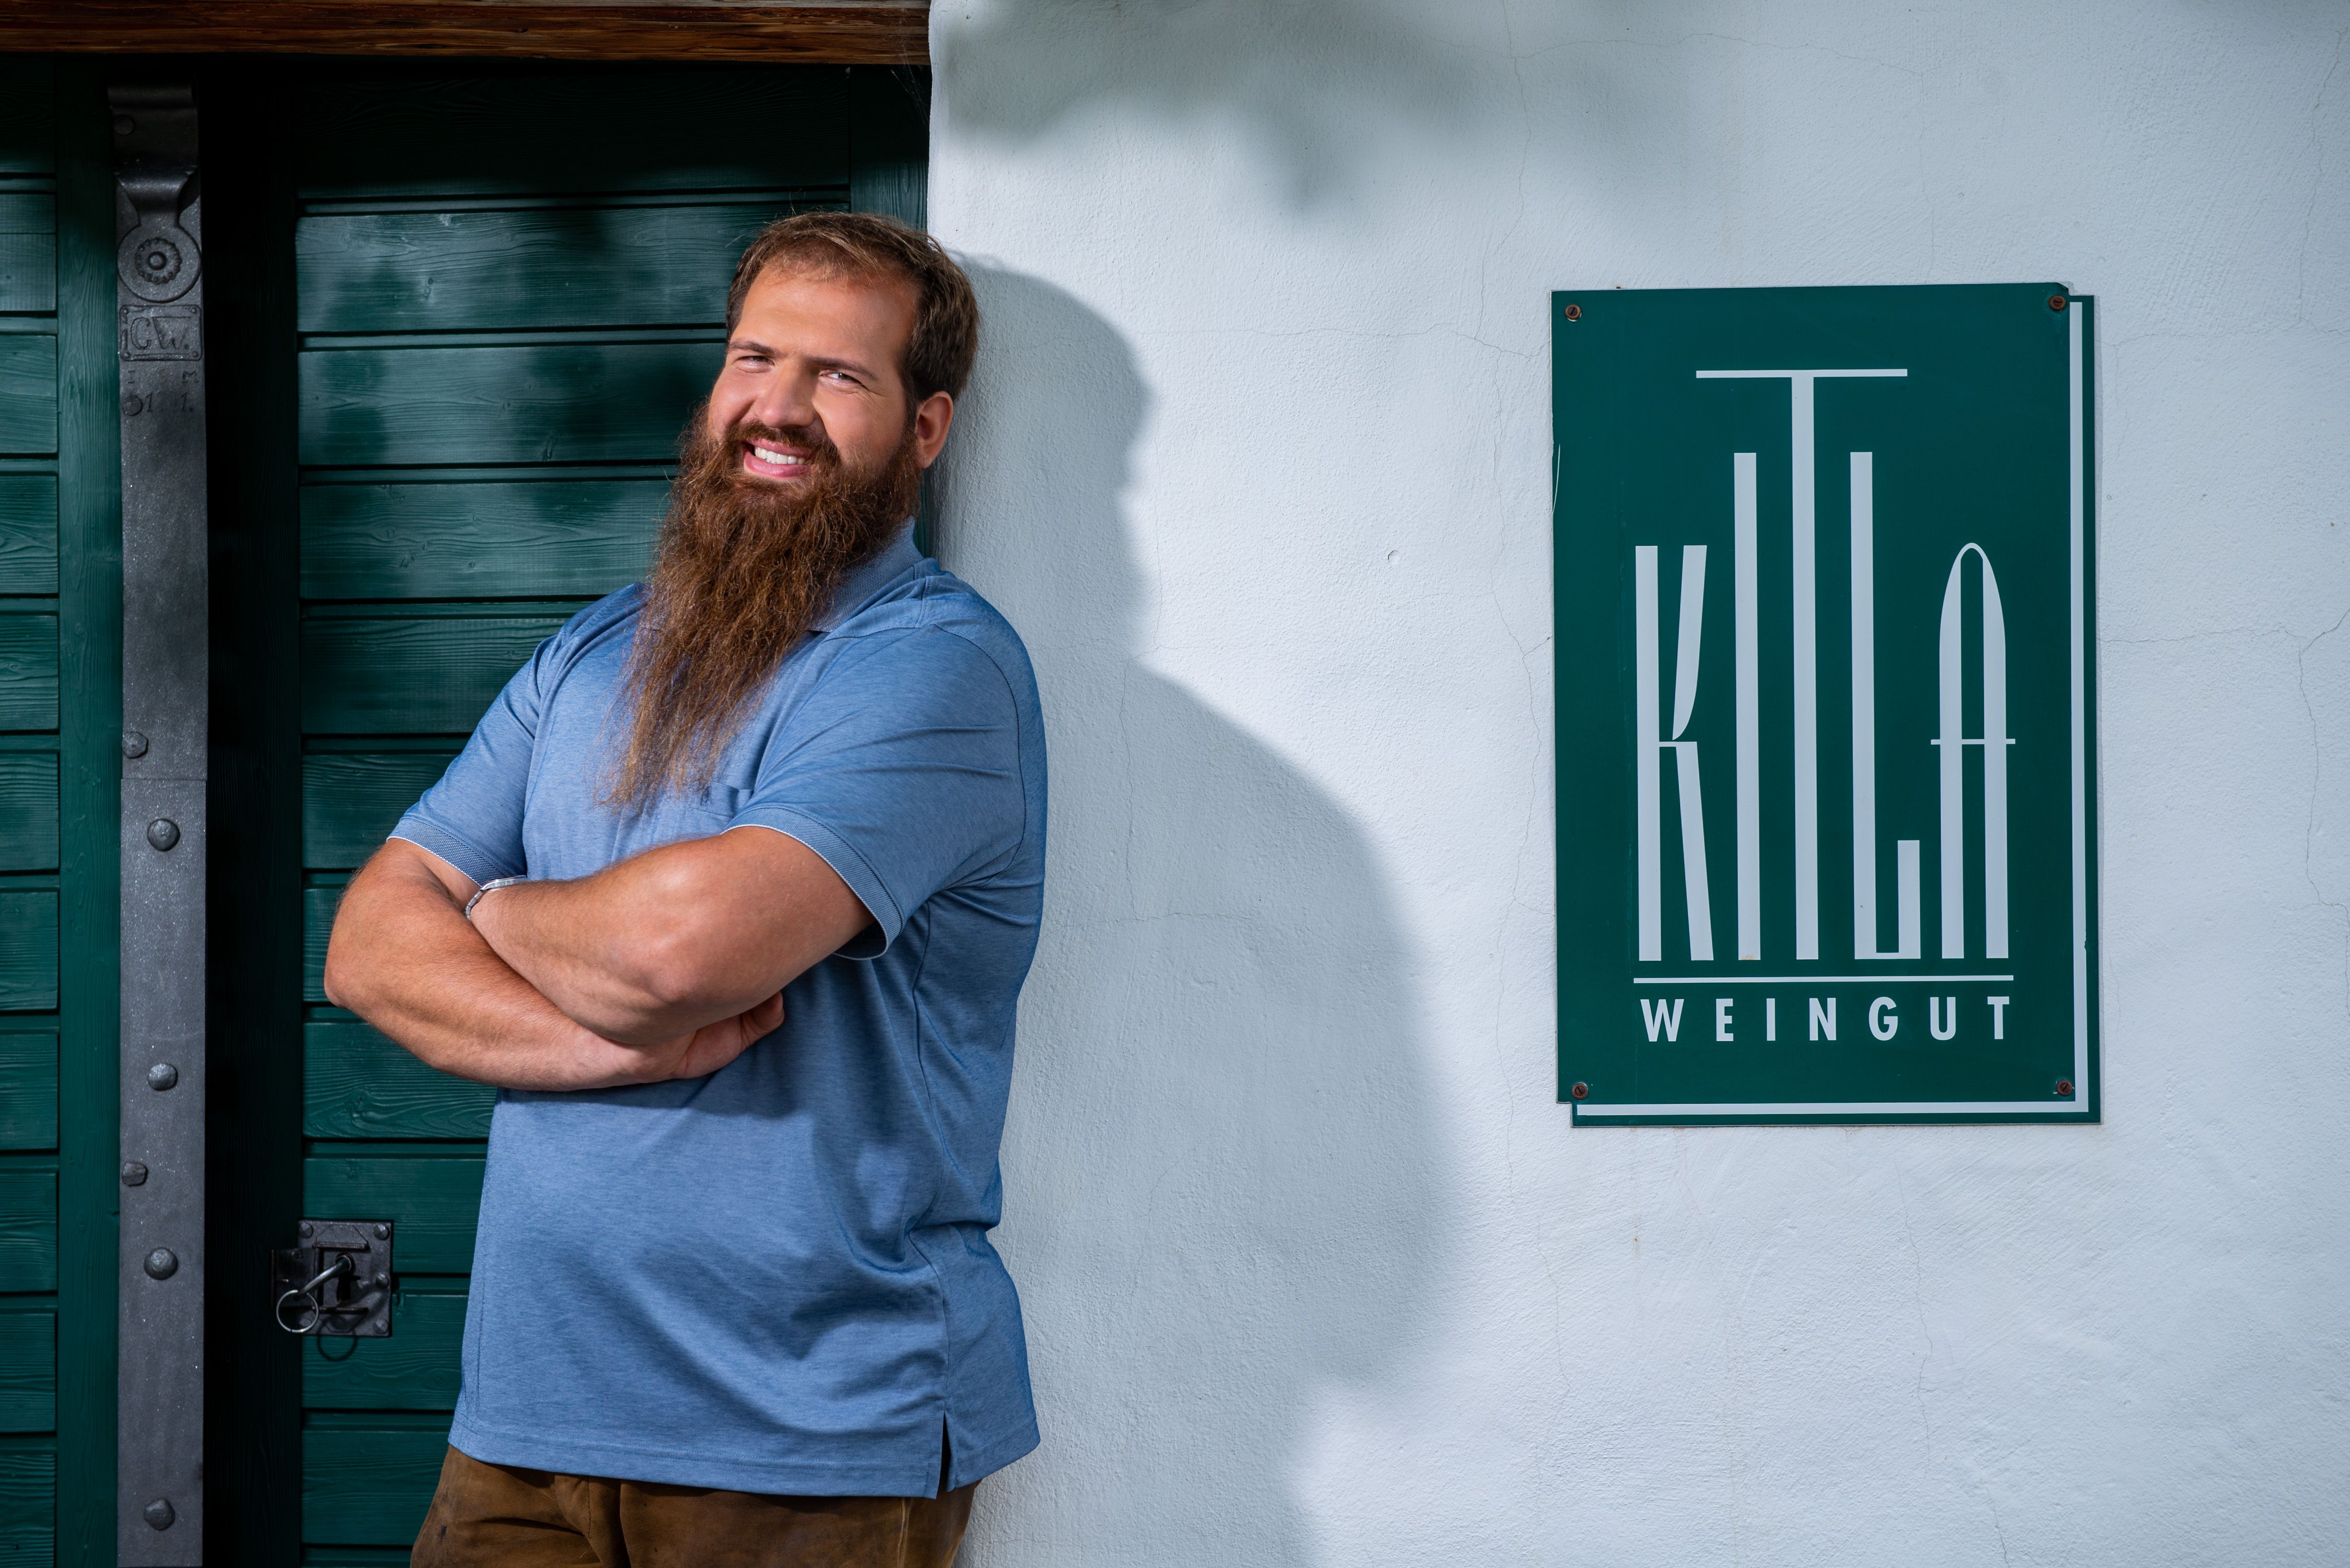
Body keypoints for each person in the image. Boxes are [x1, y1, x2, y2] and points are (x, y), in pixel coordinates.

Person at [324, 211, 1044, 1567]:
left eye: (839, 375)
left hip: (803, 1438)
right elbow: (368, 942)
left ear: (926, 427)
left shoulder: (934, 667)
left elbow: (682, 957)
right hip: (526, 1423)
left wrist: (494, 911)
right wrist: (593, 1047)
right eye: (752, 357)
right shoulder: (592, 651)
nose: (775, 406)